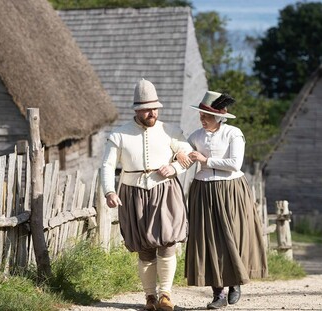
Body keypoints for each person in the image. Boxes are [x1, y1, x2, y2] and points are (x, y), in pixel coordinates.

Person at [101, 79, 193, 311]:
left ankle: (166, 295)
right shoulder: (119, 135)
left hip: (165, 191)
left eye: (155, 108)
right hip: (133, 194)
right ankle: (150, 297)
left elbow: (189, 154)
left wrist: (174, 168)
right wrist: (109, 191)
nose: (152, 112)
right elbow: (107, 166)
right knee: (144, 248)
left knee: (168, 243)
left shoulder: (171, 131)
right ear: (137, 110)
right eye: (147, 109)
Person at [181, 91, 268, 309]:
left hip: (231, 190)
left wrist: (206, 159)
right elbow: (185, 159)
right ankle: (217, 293)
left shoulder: (233, 133)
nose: (203, 119)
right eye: (201, 115)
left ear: (220, 116)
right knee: (208, 239)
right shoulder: (195, 136)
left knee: (233, 236)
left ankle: (235, 282)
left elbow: (235, 163)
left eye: (207, 115)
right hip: (203, 191)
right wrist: (176, 160)